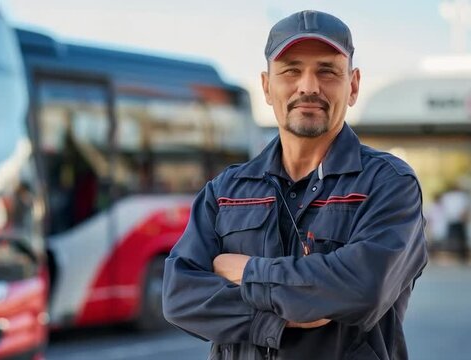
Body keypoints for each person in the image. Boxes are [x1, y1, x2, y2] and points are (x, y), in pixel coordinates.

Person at [162, 10, 428, 360]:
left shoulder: (390, 185)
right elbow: (180, 295)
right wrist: (276, 320)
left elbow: (363, 288)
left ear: (353, 85)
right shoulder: (225, 191)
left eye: (327, 71)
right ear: (266, 86)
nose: (309, 86)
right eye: (291, 70)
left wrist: (244, 271)